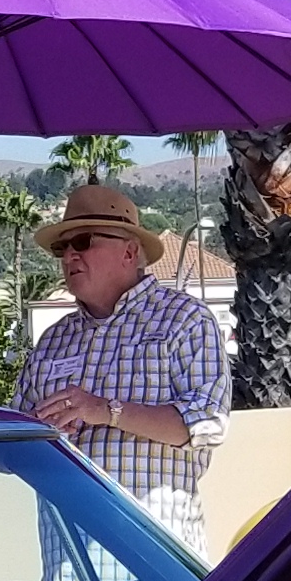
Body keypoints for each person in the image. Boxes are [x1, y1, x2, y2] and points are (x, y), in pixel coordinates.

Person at [15, 180, 230, 552]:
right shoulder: (53, 340)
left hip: (155, 561)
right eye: (62, 248)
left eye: (83, 241)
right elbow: (12, 448)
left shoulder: (184, 320)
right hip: (70, 564)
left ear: (129, 251)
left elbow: (208, 424)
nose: (69, 256)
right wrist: (38, 433)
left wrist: (106, 411)